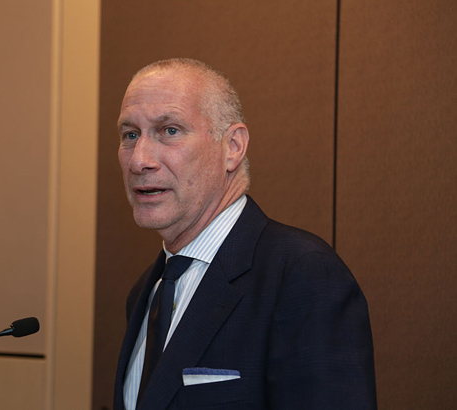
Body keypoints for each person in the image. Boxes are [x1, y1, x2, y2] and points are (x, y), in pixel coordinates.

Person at [113, 58, 377, 410]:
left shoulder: (303, 276)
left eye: (170, 131)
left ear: (233, 147)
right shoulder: (148, 291)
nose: (139, 160)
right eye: (130, 135)